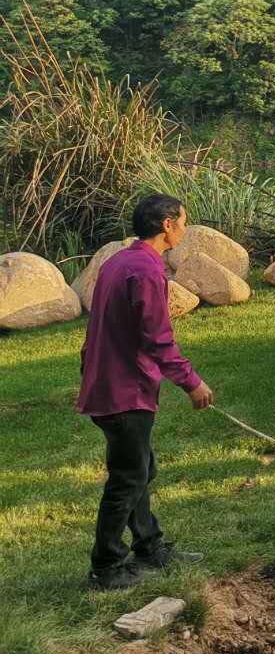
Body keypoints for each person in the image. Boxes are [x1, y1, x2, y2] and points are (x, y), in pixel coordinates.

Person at [77, 194, 214, 591]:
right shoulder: (146, 272)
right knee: (128, 477)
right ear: (167, 225)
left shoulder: (120, 261)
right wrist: (192, 383)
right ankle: (105, 567)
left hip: (107, 382)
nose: (186, 228)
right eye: (184, 221)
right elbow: (157, 339)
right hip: (123, 389)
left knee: (140, 469)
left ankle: (149, 546)